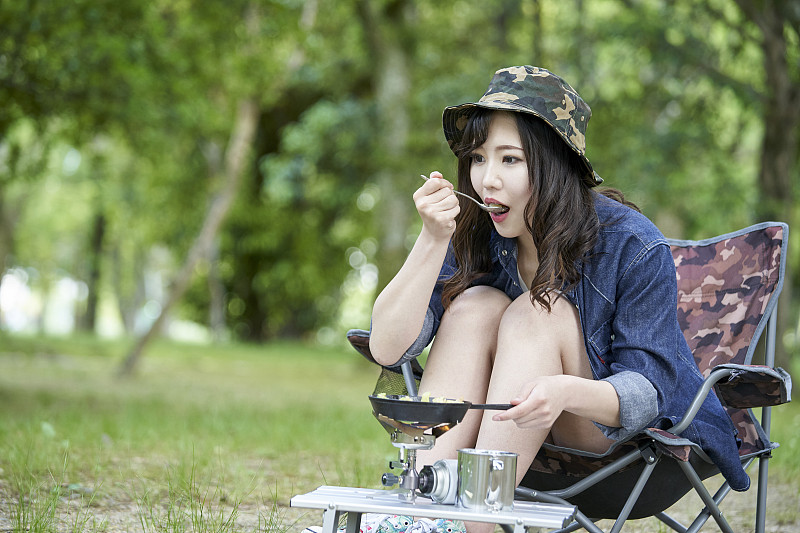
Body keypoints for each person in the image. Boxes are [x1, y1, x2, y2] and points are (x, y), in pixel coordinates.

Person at [366, 66, 749, 533]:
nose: (486, 180)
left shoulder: (631, 244)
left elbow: (648, 394)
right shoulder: (475, 232)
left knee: (536, 310)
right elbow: (388, 348)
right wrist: (430, 241)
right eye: (478, 158)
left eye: (510, 160)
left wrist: (564, 390)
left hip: (621, 445)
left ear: (553, 164)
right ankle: (423, 513)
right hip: (517, 434)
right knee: (475, 305)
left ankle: (474, 526)